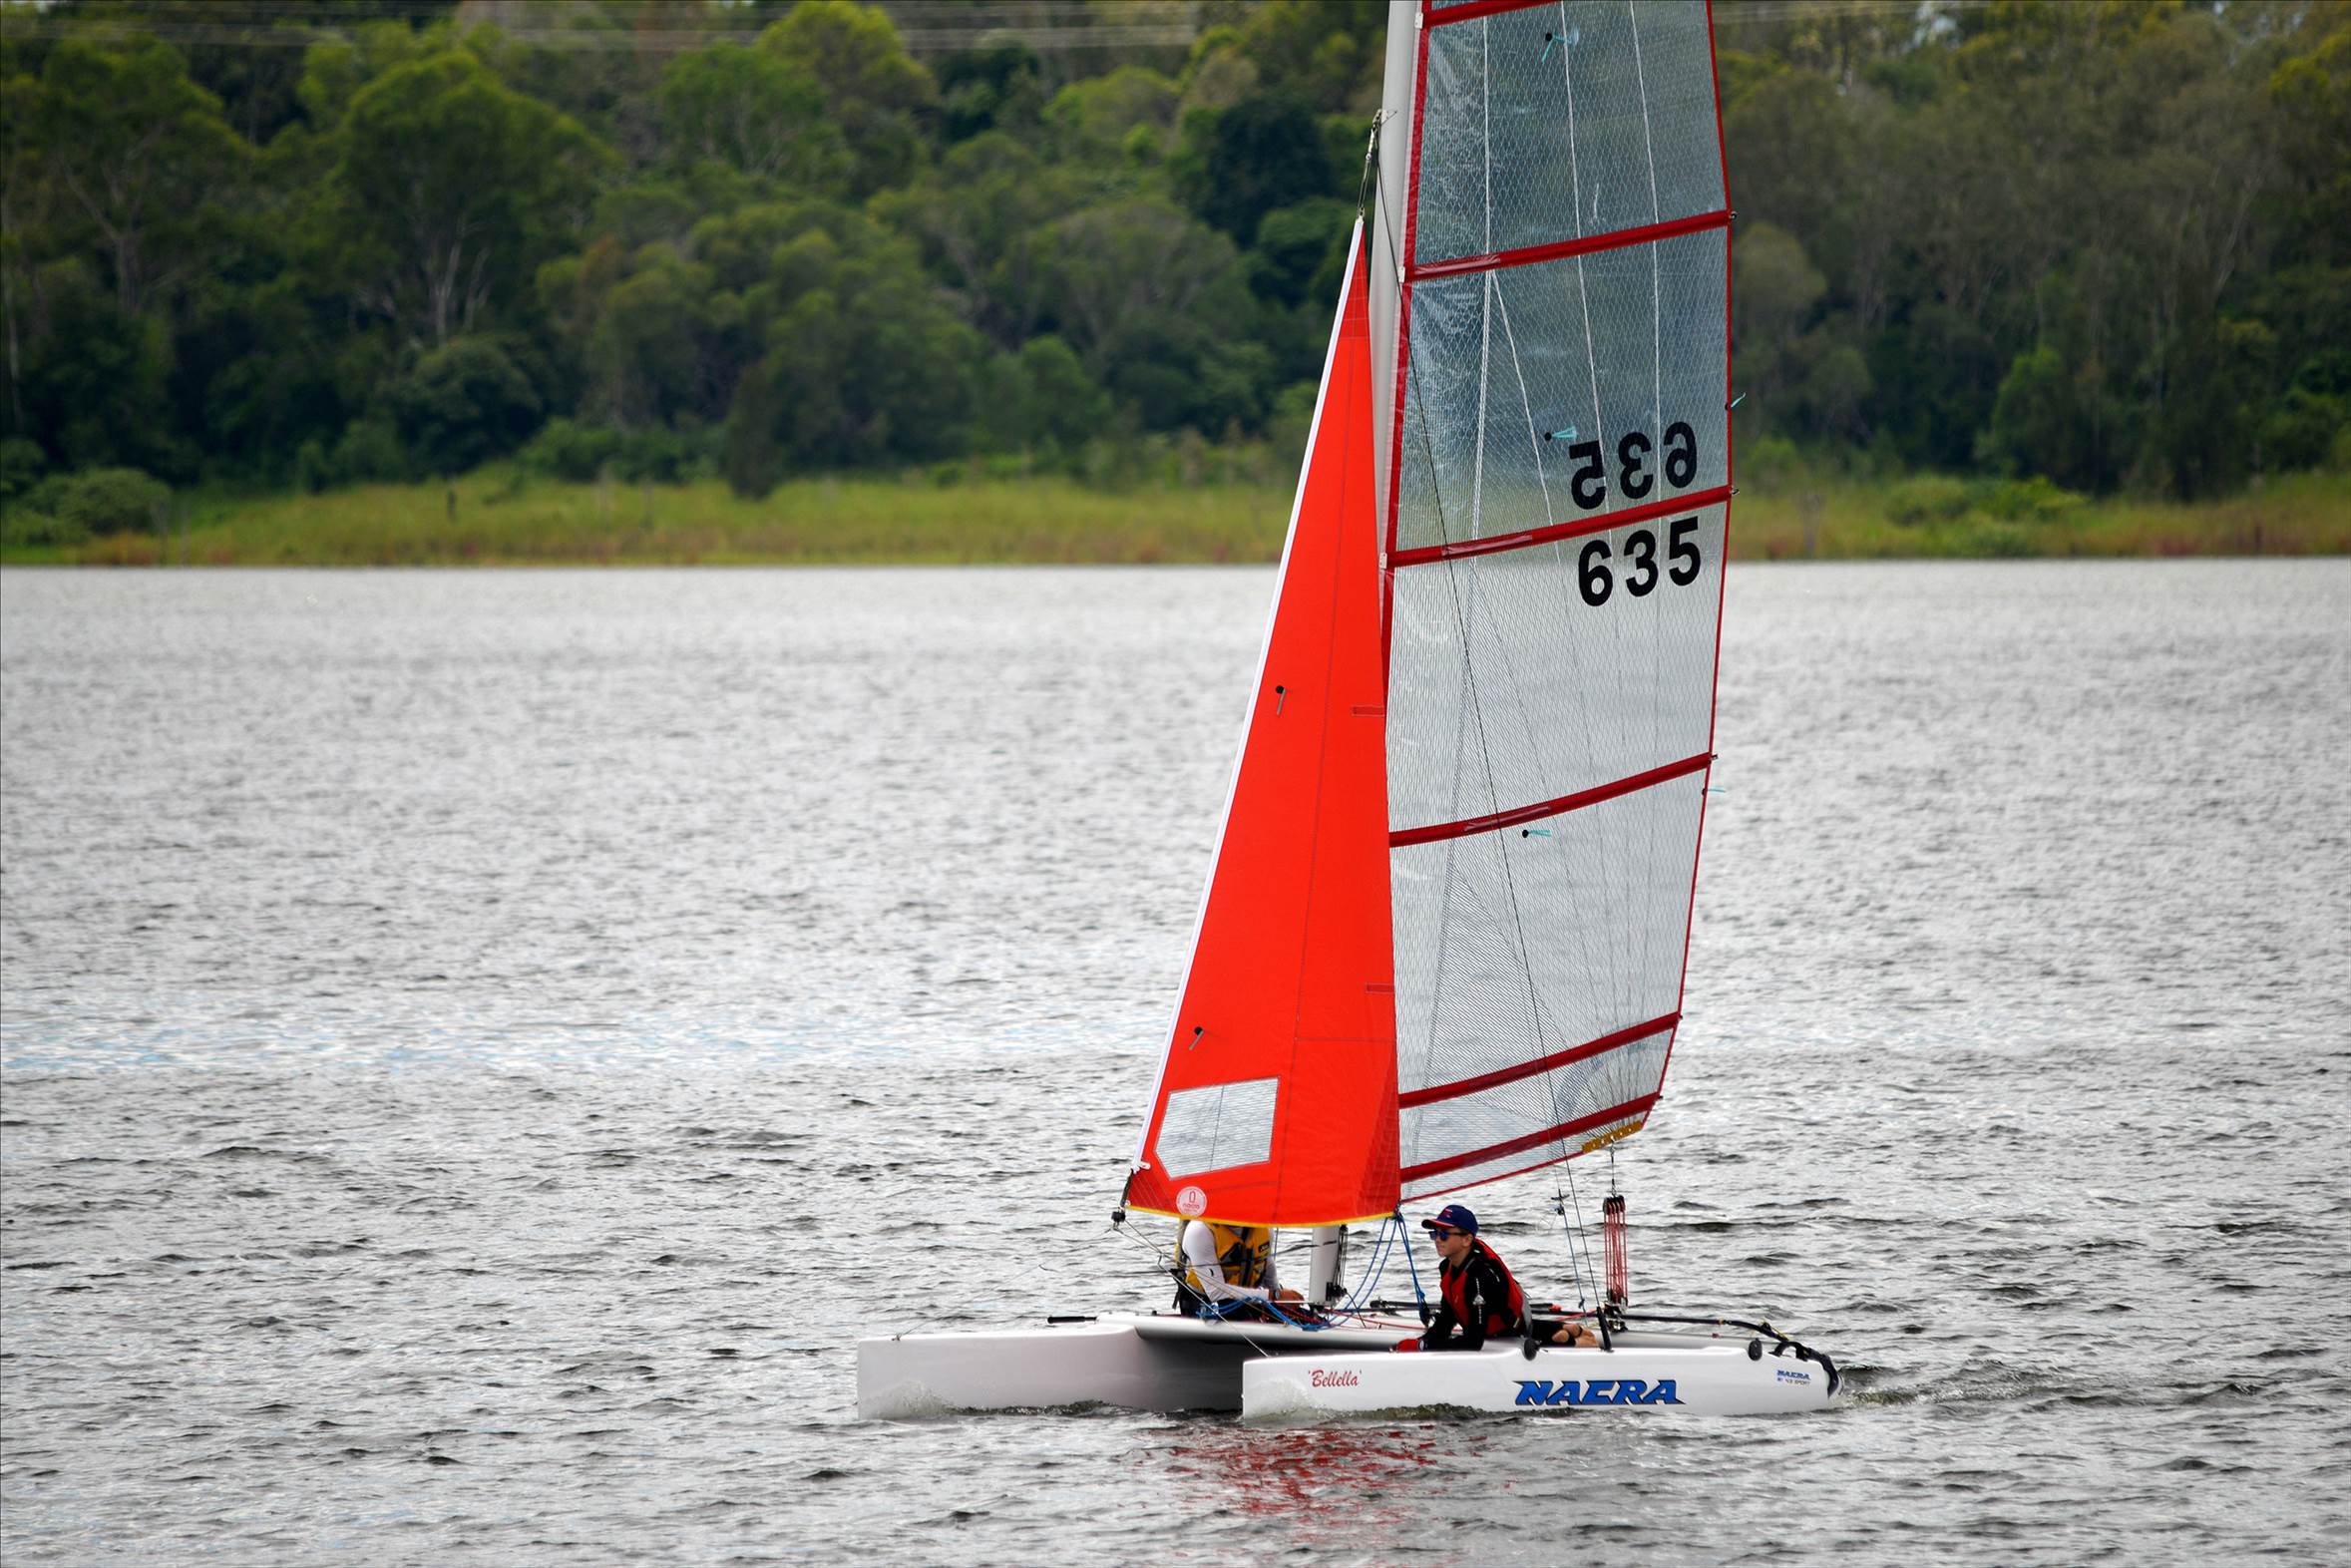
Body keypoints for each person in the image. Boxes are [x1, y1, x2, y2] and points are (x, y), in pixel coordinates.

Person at [1392, 1204, 1524, 1352]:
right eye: (1435, 1234)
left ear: (1467, 1240)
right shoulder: (1447, 1267)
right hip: (1484, 1339)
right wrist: (1421, 1342)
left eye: (1444, 1234)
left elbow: (1473, 1343)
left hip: (1511, 1337)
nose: (1437, 1239)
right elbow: (1446, 1321)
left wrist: (1424, 1346)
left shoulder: (1478, 1276)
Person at [1173, 1219, 1304, 1315]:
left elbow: (1266, 1261)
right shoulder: (1200, 1231)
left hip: (1251, 1300)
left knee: (1299, 1316)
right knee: (1243, 1316)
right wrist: (1274, 1295)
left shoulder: (1263, 1227)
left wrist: (1280, 1299)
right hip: (1206, 1305)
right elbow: (1216, 1292)